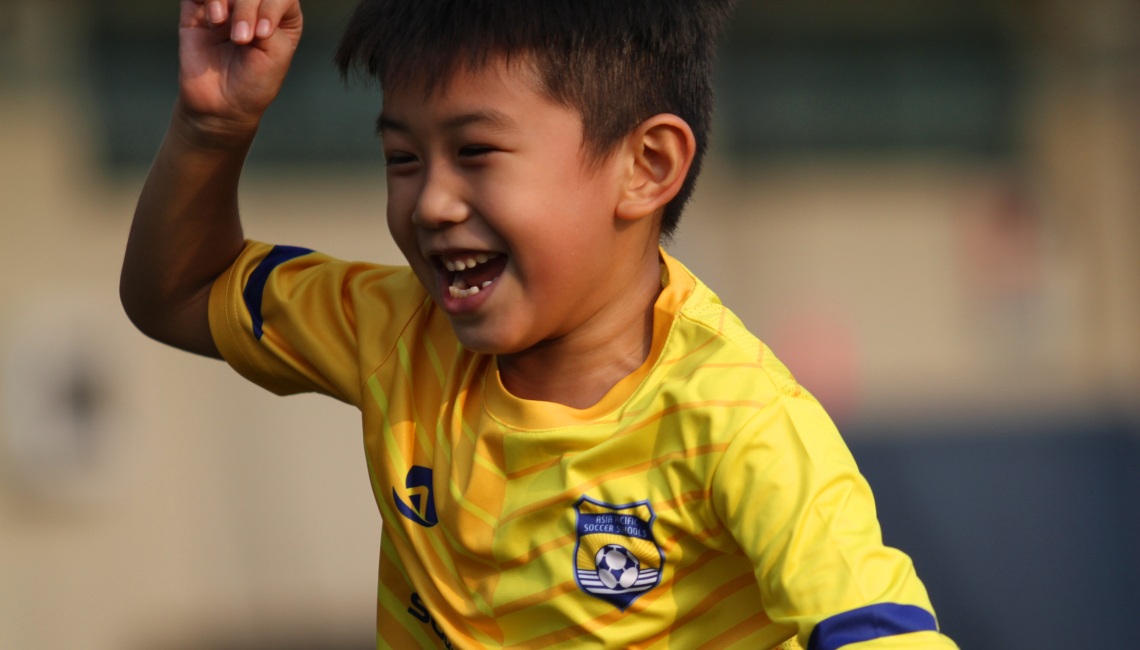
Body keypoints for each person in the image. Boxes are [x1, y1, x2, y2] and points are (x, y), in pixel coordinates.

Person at [120, 1, 960, 648]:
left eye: (476, 152)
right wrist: (214, 122)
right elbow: (180, 289)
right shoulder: (393, 332)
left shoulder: (743, 422)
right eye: (402, 159)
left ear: (647, 167)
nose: (433, 203)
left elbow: (877, 627)